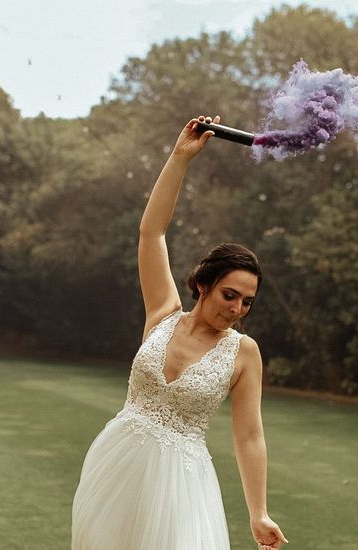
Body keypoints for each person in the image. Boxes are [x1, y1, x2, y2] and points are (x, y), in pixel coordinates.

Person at [71, 116, 287, 550]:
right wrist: (180, 158)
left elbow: (249, 435)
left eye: (247, 301)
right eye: (230, 294)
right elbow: (152, 232)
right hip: (117, 464)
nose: (237, 308)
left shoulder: (244, 353)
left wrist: (258, 511)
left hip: (183, 485)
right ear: (204, 284)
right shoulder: (162, 314)